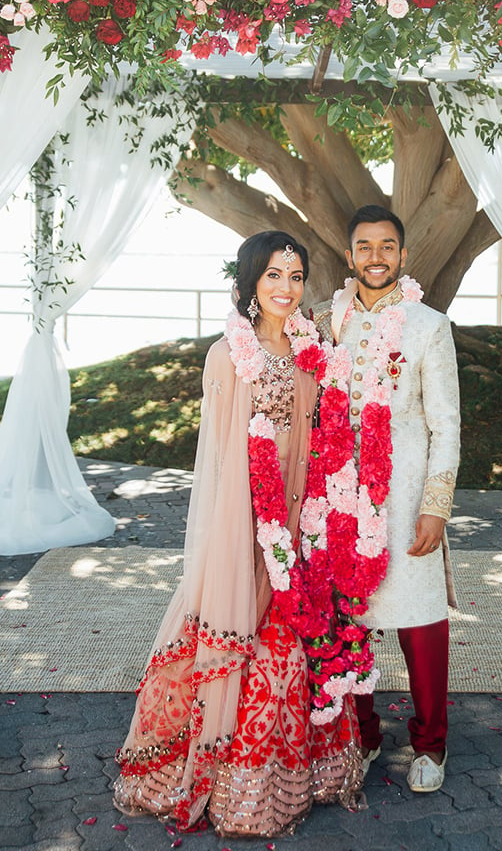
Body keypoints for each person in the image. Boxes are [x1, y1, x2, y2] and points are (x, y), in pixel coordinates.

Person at [114, 231, 361, 837]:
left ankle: (299, 775)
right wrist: (241, 535)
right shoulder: (229, 354)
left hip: (304, 521)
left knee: (294, 644)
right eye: (274, 275)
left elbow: (323, 431)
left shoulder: (313, 347)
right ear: (252, 281)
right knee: (239, 638)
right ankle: (226, 785)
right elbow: (220, 457)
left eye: (297, 276)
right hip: (246, 522)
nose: (286, 288)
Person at [312, 205, 460, 794]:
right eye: (365, 247)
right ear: (350, 257)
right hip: (339, 494)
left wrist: (437, 505)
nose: (376, 256)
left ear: (403, 254)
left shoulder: (430, 326)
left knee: (418, 617)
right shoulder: (326, 322)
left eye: (387, 246)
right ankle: (363, 732)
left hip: (405, 493)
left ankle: (430, 743)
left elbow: (446, 424)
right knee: (351, 617)